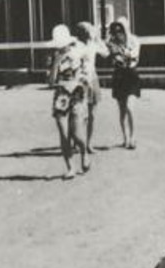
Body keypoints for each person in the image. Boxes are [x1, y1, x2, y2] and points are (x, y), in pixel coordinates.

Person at [47, 23, 89, 176]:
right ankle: (70, 168)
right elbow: (50, 82)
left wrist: (82, 86)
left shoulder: (78, 53)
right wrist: (56, 64)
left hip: (77, 94)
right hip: (61, 96)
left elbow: (86, 75)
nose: (61, 47)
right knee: (64, 134)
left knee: (77, 134)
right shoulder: (52, 57)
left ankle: (84, 152)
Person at [71, 20, 111, 154]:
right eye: (88, 31)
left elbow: (106, 53)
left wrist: (98, 40)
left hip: (92, 79)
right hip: (79, 81)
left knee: (92, 115)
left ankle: (88, 143)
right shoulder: (76, 45)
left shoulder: (93, 45)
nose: (90, 34)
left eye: (90, 31)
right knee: (79, 114)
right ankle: (77, 141)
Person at [106, 17, 140, 149]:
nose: (118, 32)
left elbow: (134, 55)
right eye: (115, 30)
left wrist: (124, 52)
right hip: (119, 76)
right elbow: (111, 57)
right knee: (122, 110)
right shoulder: (112, 42)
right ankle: (125, 138)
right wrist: (109, 41)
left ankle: (133, 137)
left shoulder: (134, 40)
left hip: (131, 74)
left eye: (121, 29)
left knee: (130, 107)